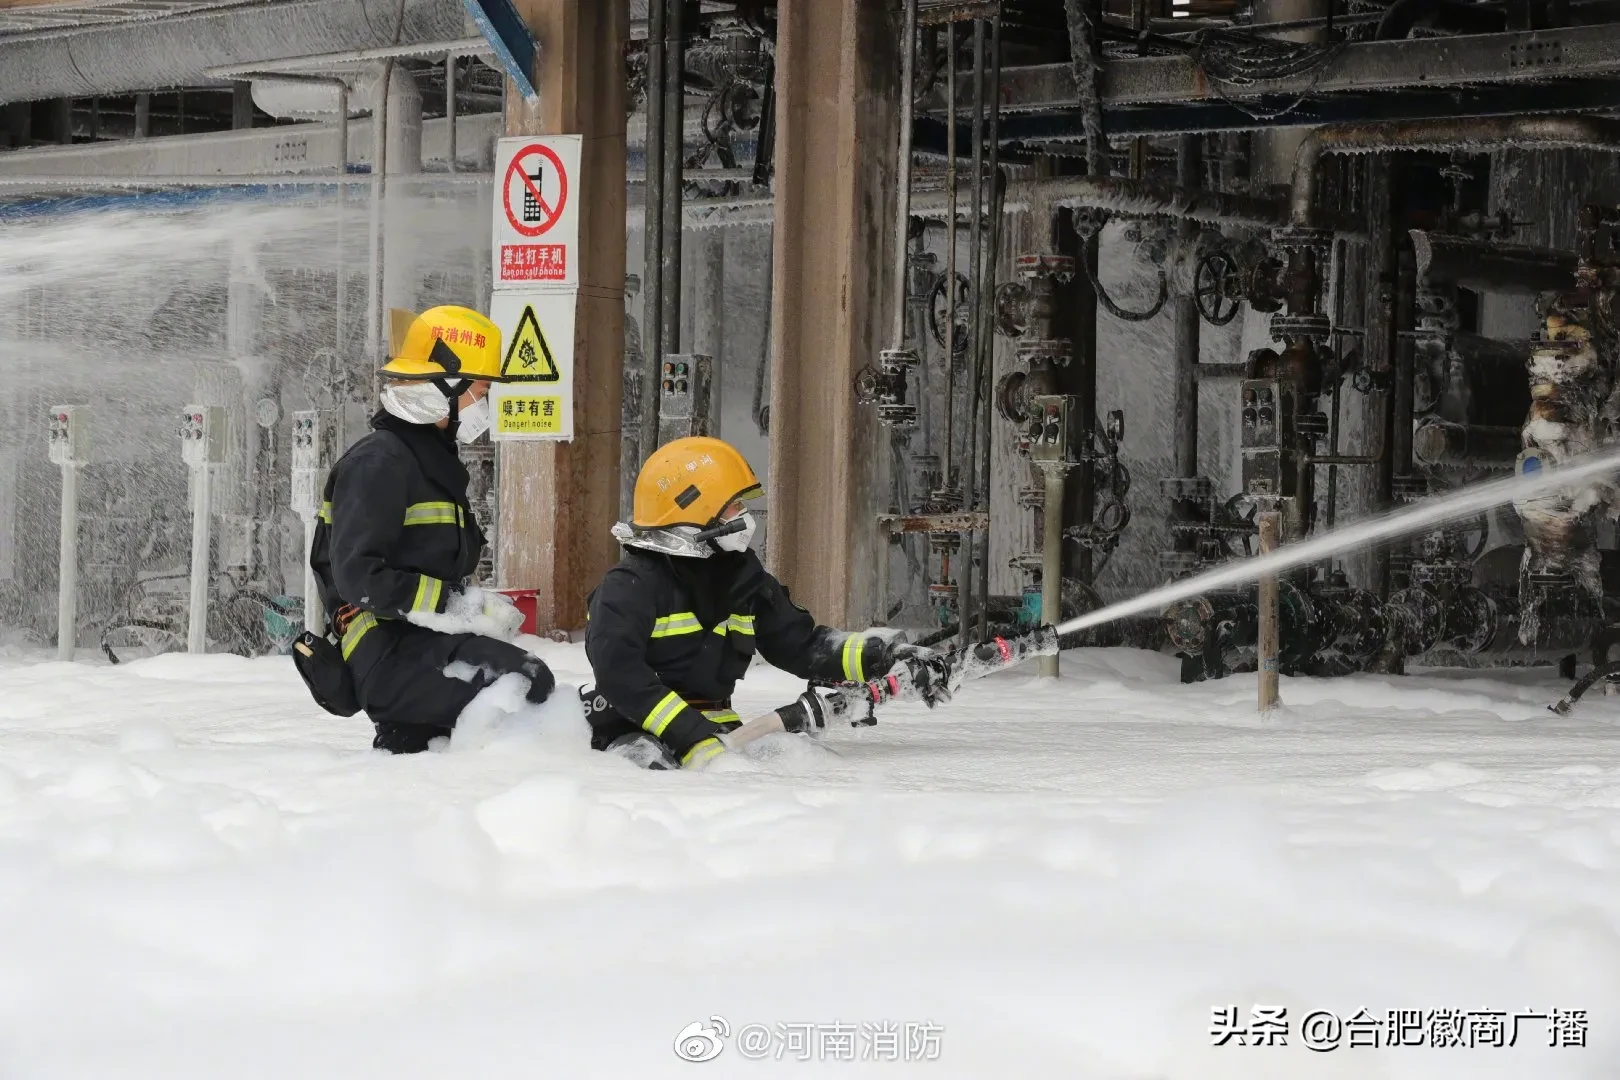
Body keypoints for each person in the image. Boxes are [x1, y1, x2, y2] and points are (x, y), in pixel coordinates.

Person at [580, 436, 952, 770]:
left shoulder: (743, 581)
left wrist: (885, 657)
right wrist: (688, 735)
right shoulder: (629, 588)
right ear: (691, 510)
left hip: (716, 732)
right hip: (631, 732)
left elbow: (803, 646)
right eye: (732, 506)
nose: (744, 517)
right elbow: (620, 676)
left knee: (795, 768)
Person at [306, 304, 555, 753]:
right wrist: (461, 607)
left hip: (418, 643)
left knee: (523, 686)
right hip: (383, 652)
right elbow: (361, 580)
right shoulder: (379, 463)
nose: (485, 404)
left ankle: (423, 746)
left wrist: (474, 607)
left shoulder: (429, 462)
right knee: (523, 681)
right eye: (481, 389)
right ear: (446, 385)